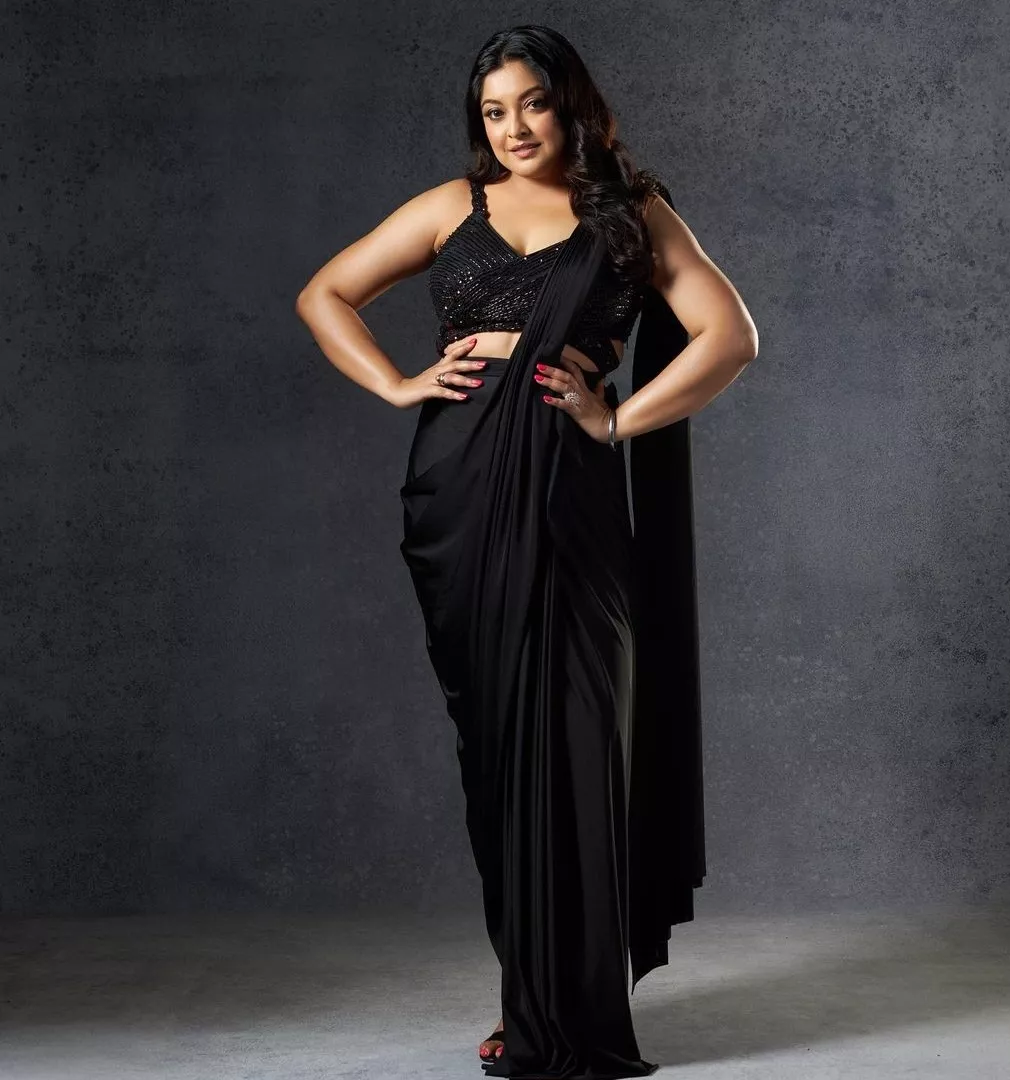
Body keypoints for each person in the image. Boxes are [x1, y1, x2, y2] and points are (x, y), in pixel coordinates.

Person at [295, 24, 758, 1079]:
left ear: (570, 104)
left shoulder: (633, 214)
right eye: (493, 110)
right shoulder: (448, 210)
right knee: (500, 752)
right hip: (458, 493)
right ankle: (528, 995)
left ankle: (574, 1013)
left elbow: (731, 338)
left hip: (569, 494)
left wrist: (617, 418)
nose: (512, 128)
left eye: (532, 103)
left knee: (581, 745)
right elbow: (324, 294)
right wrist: (398, 384)